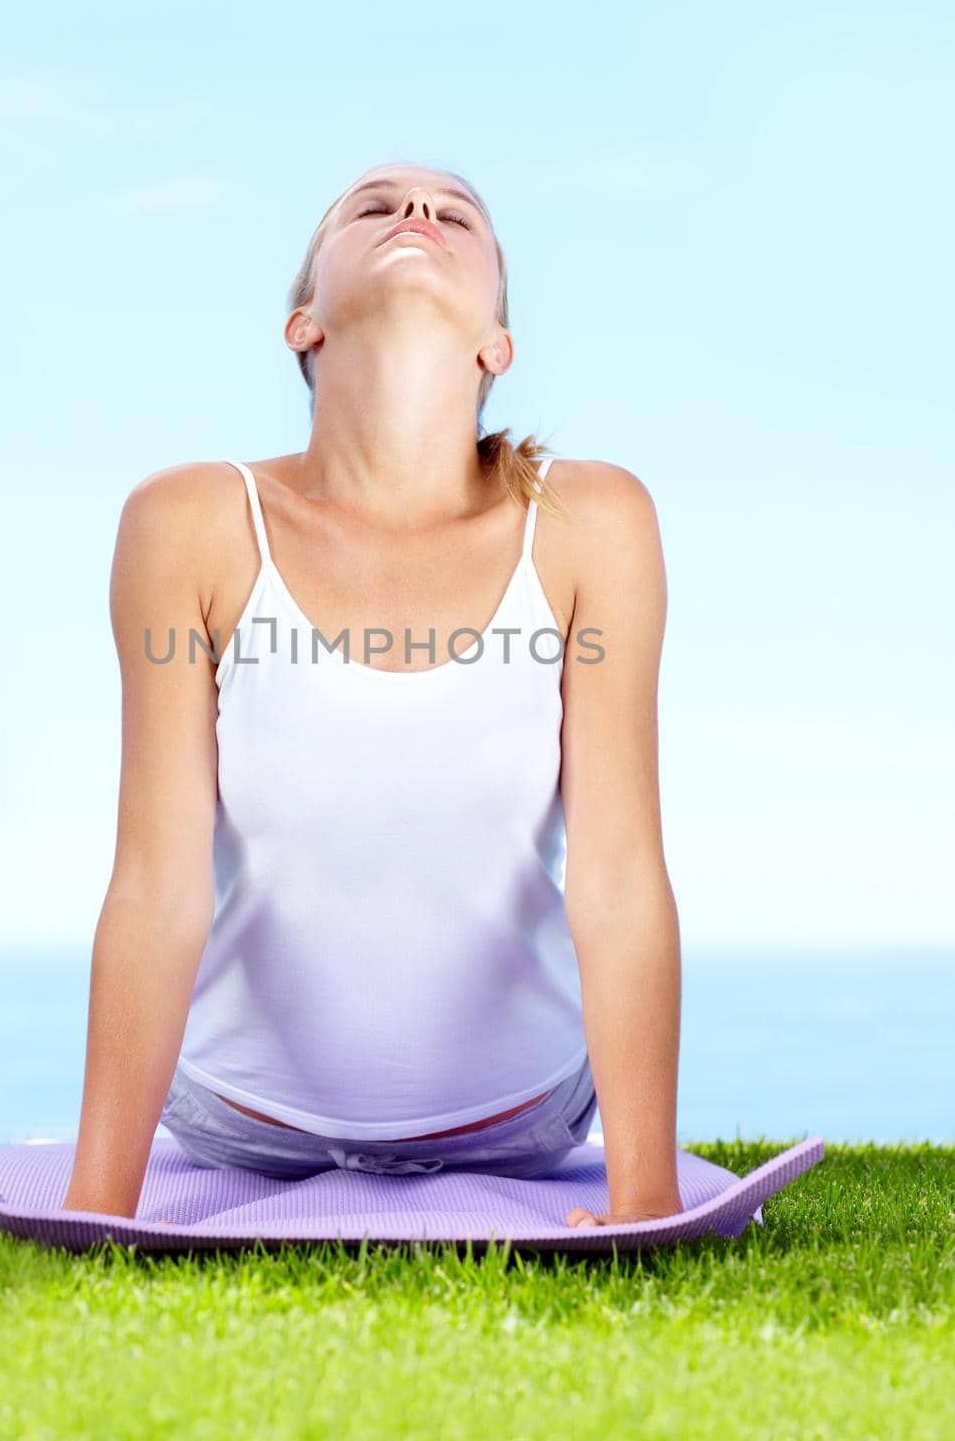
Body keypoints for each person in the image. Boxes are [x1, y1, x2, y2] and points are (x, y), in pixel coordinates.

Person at [61, 161, 683, 1228]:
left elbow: (619, 871)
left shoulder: (592, 521)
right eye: (376, 206)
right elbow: (156, 881)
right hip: (239, 1117)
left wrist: (647, 1199)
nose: (417, 216)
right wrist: (92, 1206)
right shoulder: (189, 522)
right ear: (303, 322)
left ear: (497, 343)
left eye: (454, 216)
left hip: (521, 1117)